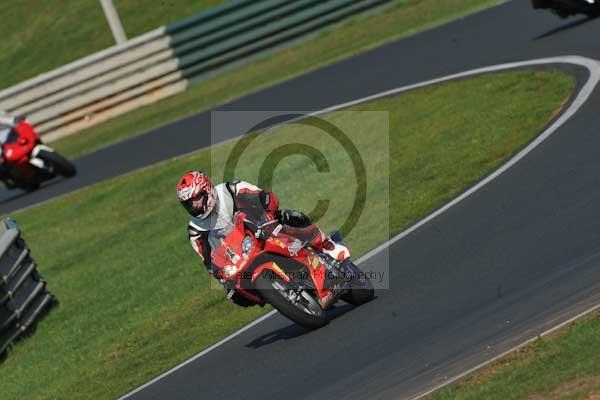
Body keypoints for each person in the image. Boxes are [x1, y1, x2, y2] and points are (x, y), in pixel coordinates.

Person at [176, 170, 349, 306]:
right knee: (236, 295)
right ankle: (284, 295)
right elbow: (209, 260)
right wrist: (220, 274)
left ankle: (328, 246)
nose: (194, 206)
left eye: (196, 199)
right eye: (189, 204)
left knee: (291, 217)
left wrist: (267, 214)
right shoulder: (195, 230)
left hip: (262, 226)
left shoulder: (230, 189)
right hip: (241, 255)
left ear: (207, 190)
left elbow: (265, 197)